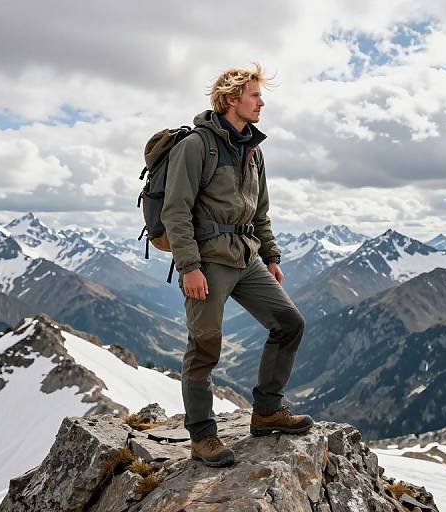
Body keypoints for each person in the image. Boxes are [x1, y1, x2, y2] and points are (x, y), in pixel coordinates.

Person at [161, 63, 312, 467]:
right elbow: (176, 211)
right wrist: (189, 265)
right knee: (205, 344)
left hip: (246, 257)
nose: (262, 102)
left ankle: (266, 411)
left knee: (289, 322)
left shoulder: (253, 149)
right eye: (255, 95)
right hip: (208, 261)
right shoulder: (197, 146)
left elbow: (260, 211)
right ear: (231, 100)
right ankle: (203, 436)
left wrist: (271, 255)